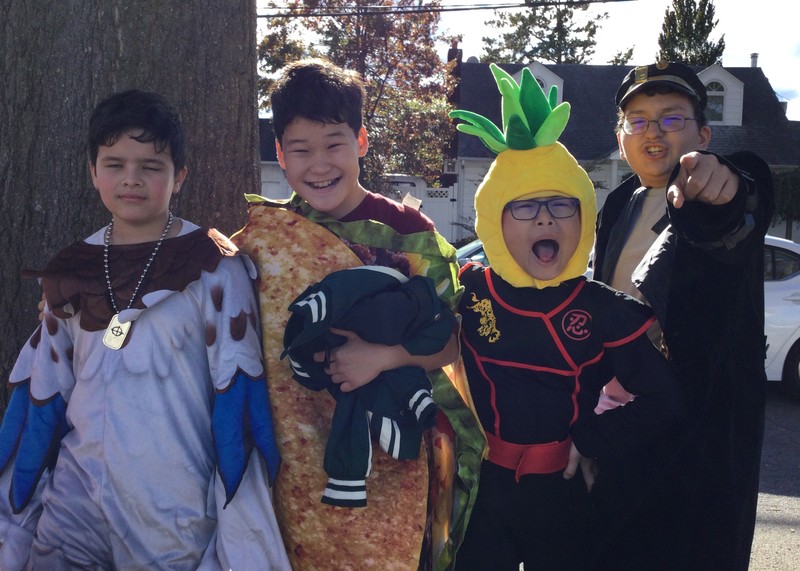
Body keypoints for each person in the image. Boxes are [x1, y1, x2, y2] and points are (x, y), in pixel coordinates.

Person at [0, 89, 291, 570]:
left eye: (151, 166)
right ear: (93, 172)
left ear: (178, 177)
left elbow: (239, 411)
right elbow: (43, 399)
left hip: (171, 509)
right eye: (114, 164)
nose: (131, 179)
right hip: (75, 499)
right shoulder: (71, 269)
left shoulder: (215, 268)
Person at [448, 63, 683, 571]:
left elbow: (665, 400)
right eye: (525, 207)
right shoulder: (467, 288)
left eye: (561, 204)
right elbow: (406, 321)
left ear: (583, 213)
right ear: (493, 219)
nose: (546, 218)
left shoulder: (601, 308)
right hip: (481, 500)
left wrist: (592, 440)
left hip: (564, 499)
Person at [261, 58, 486, 569]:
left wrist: (383, 357)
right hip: (299, 455)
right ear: (279, 153)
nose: (319, 165)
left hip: (397, 451)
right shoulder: (271, 238)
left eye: (334, 144)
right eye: (301, 150)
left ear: (361, 141)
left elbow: (450, 341)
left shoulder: (409, 231)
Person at [591, 62, 775, 570]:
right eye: (639, 119)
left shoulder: (715, 183)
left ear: (703, 134)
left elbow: (736, 209)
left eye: (672, 119)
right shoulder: (617, 203)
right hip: (622, 427)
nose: (654, 132)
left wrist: (724, 189)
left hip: (700, 444)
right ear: (621, 135)